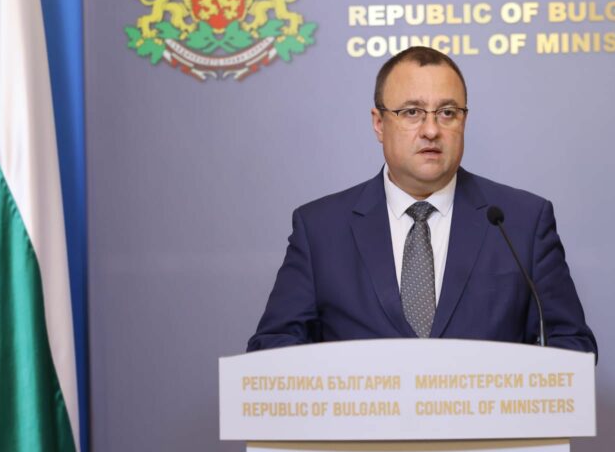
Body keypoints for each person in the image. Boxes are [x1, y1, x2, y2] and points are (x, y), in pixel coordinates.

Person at [247, 46, 596, 354]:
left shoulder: (520, 223)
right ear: (379, 123)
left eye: (447, 112)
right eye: (412, 112)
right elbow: (273, 348)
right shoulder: (320, 229)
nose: (431, 130)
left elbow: (570, 345)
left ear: (464, 121)